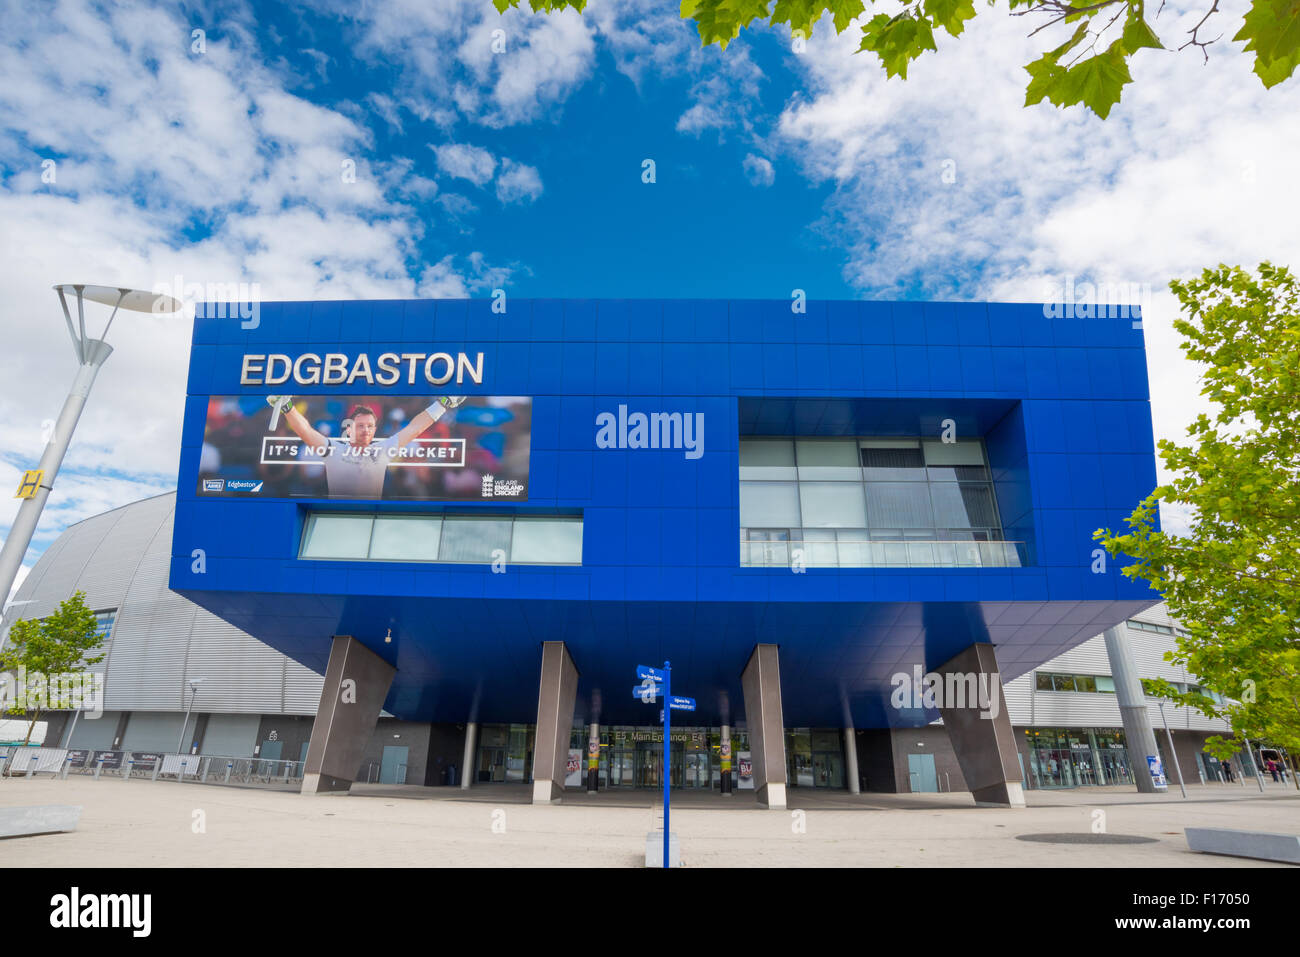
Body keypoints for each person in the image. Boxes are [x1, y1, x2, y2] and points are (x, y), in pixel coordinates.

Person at [268, 395, 465, 499]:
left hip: (372, 521)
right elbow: (306, 432)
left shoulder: (382, 450)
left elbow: (415, 427)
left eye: (370, 426)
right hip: (334, 520)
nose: (365, 430)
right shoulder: (333, 449)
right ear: (349, 428)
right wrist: (287, 407)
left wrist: (444, 403)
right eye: (360, 426)